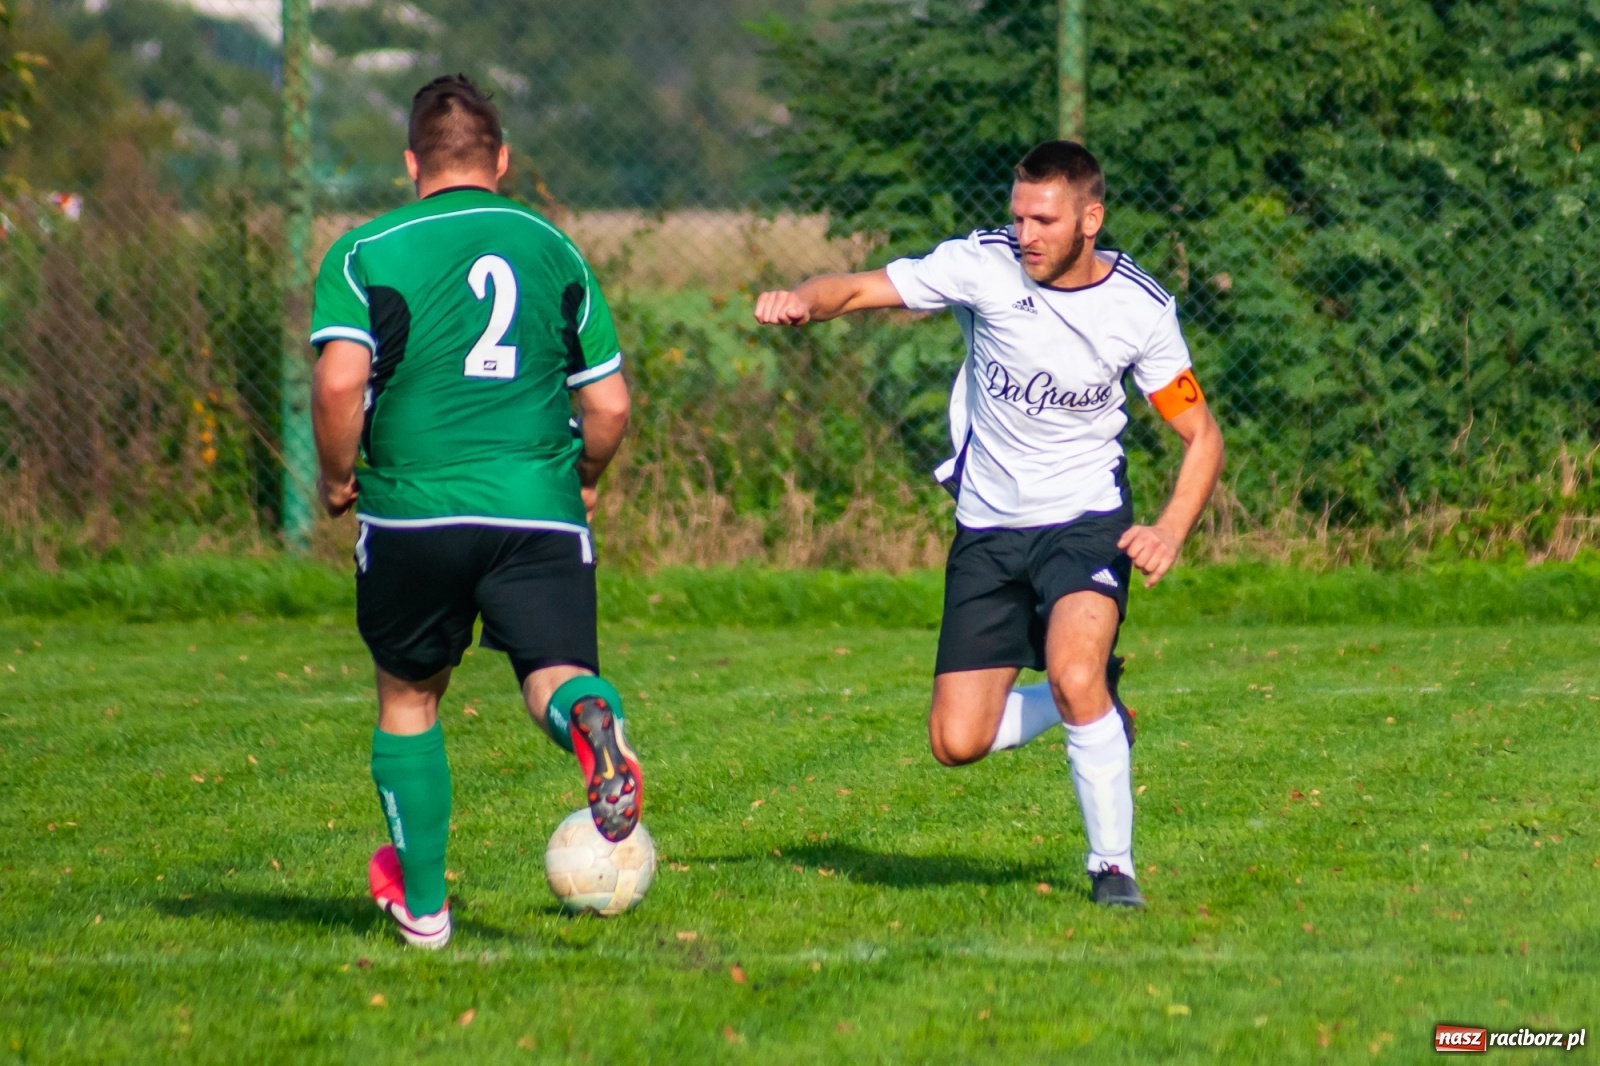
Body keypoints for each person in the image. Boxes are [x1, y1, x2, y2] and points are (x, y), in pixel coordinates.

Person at [753, 141, 1224, 908]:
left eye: (1045, 218)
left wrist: (1170, 527)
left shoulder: (1139, 307)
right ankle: (1100, 700)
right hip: (988, 531)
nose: (1027, 233)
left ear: (1090, 220)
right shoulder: (982, 265)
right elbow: (862, 287)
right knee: (957, 742)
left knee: (1070, 671)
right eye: (1018, 216)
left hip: (1084, 522)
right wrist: (806, 297)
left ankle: (1112, 867)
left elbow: (1201, 435)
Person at [309, 74, 643, 948]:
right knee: (554, 671)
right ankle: (589, 726)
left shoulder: (364, 250)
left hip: (415, 508)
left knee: (411, 695)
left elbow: (342, 379)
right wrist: (588, 477)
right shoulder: (554, 249)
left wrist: (336, 475)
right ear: (501, 160)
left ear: (411, 162)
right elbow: (607, 406)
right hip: (538, 504)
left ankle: (423, 910)